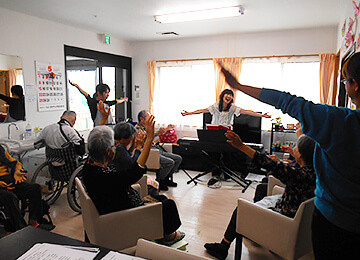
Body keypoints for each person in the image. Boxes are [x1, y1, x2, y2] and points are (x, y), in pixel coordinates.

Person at [218, 55, 360, 259]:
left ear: (354, 84)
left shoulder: (340, 122)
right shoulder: (333, 130)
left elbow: (287, 101)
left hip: (333, 224)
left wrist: (238, 86)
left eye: (346, 81)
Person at [204, 132, 316, 260]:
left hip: (282, 223)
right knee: (262, 191)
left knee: (241, 209)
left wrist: (241, 146)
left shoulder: (297, 176)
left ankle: (223, 247)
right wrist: (290, 153)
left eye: (295, 148)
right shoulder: (318, 173)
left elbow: (265, 162)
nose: (293, 149)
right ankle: (251, 230)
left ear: (300, 154)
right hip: (296, 219)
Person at [82, 116, 185, 246]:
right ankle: (170, 236)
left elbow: (131, 171)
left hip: (115, 205)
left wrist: (102, 119)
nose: (116, 147)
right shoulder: (107, 178)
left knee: (162, 199)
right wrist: (147, 141)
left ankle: (165, 232)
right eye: (113, 145)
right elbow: (136, 170)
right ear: (108, 151)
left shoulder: (88, 167)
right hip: (127, 216)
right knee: (168, 205)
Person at [0, 144, 54, 231]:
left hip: (8, 180)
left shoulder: (1, 150)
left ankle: (34, 221)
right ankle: (20, 228)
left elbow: (15, 163)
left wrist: (17, 171)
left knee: (35, 188)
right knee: (9, 197)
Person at [109, 121, 164, 199]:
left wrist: (134, 146)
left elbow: (126, 158)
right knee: (152, 187)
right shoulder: (119, 148)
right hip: (124, 181)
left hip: (121, 177)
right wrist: (138, 147)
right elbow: (134, 166)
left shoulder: (116, 145)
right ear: (126, 137)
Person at [34, 110, 85, 182]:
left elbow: (37, 143)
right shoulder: (70, 130)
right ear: (74, 120)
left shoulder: (47, 128)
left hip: (53, 168)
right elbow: (81, 151)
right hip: (69, 169)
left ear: (61, 117)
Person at [137, 110, 182, 191]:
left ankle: (166, 179)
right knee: (170, 162)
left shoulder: (148, 127)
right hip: (150, 152)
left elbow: (154, 138)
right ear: (142, 119)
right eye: (149, 117)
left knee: (178, 158)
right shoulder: (138, 129)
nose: (151, 119)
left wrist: (165, 130)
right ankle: (160, 181)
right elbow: (146, 139)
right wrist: (157, 133)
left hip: (156, 149)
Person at [181, 89, 270, 126]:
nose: (229, 96)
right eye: (227, 94)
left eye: (231, 95)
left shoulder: (232, 107)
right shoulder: (215, 106)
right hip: (214, 131)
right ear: (223, 96)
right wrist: (189, 113)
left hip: (226, 132)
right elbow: (202, 110)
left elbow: (247, 112)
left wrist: (262, 116)